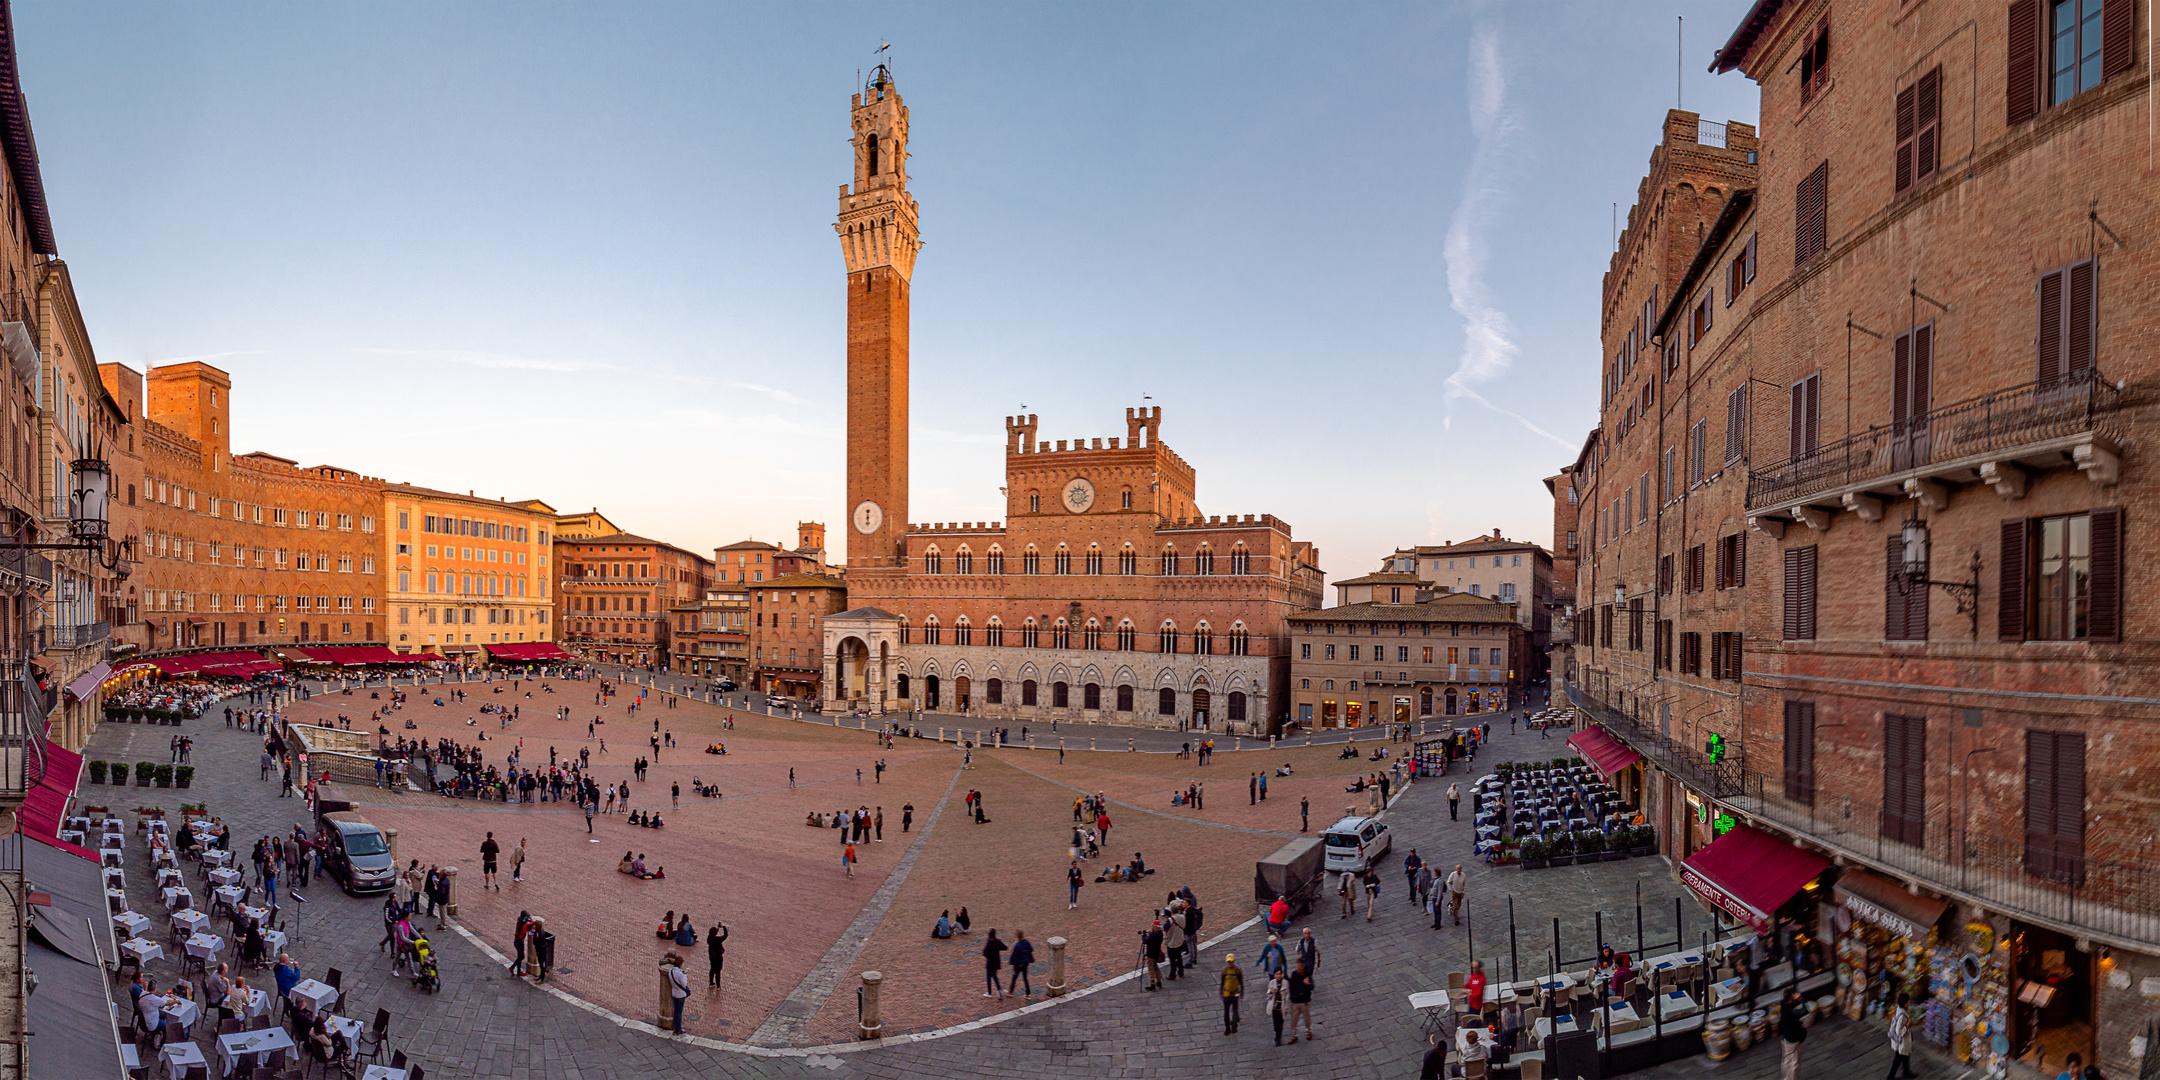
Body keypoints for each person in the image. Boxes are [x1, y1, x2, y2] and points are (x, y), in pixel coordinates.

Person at [1778, 985, 1807, 1080]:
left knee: (1786, 1061)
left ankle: (1785, 1078)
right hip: (1793, 1038)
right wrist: (1801, 1000)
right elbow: (1804, 1011)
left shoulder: (1784, 1006)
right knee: (1794, 1063)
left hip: (1786, 1037)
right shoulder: (1791, 1011)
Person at [1886, 991, 1915, 1079]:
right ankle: (1890, 1077)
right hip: (1901, 1041)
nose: (1909, 1002)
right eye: (1908, 1001)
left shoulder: (1900, 1009)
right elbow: (1899, 1031)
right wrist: (1907, 1025)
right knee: (1898, 1059)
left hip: (1903, 1041)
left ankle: (1906, 1073)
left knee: (1905, 1056)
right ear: (1905, 1003)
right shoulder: (1902, 1015)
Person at [1288, 960, 1314, 1042]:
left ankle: (1309, 1031)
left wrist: (1308, 984)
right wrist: (1292, 997)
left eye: (1300, 966)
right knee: (1293, 1020)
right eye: (1297, 965)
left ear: (1303, 966)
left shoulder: (1307, 975)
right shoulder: (1294, 974)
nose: (1299, 967)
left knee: (1307, 1018)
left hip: (1304, 1001)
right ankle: (1293, 1035)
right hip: (1296, 1001)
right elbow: (1291, 986)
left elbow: (1312, 987)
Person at [1219, 953, 1244, 1035]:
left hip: (1235, 994)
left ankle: (1234, 1026)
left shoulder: (1237, 970)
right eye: (1229, 962)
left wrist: (1241, 993)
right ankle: (1227, 1028)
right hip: (1226, 994)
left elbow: (1241, 982)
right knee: (1226, 1012)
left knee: (1235, 1011)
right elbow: (1222, 982)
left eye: (1231, 961)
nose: (1230, 963)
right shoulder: (1224, 971)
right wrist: (1221, 993)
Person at [667, 953, 690, 1034]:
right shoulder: (680, 974)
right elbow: (684, 984)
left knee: (675, 1011)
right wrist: (685, 975)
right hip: (681, 994)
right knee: (679, 1012)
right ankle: (679, 1029)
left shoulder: (671, 971)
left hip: (674, 993)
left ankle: (675, 1028)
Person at [981, 929, 1008, 999]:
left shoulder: (989, 943)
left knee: (988, 977)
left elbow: (984, 953)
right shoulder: (998, 941)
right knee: (995, 976)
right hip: (996, 962)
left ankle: (989, 992)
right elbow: (1005, 947)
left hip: (990, 962)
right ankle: (999, 990)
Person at [1266, 967, 1288, 1046]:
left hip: (1281, 1006)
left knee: (1280, 1022)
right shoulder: (1272, 983)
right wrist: (1271, 992)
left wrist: (1286, 1007)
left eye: (1280, 974)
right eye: (1277, 974)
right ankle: (1277, 1033)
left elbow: (1287, 996)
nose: (1278, 976)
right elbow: (1268, 994)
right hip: (1274, 1006)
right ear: (1275, 975)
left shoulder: (1285, 983)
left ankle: (1278, 1036)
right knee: (1275, 1022)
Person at [1142, 920, 1166, 990]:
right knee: (1156, 968)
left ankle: (1152, 983)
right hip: (1156, 953)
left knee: (1151, 969)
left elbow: (1146, 941)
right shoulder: (1160, 933)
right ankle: (1159, 981)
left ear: (1155, 927)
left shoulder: (1153, 935)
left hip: (1151, 954)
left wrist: (1144, 936)